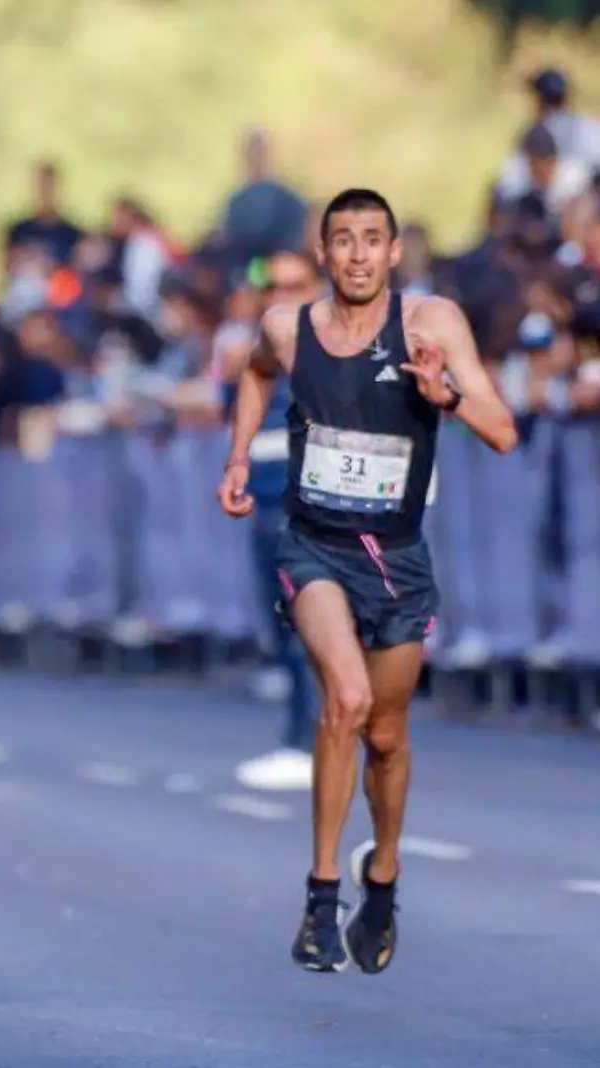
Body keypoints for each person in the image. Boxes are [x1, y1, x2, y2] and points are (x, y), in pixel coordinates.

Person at [217, 190, 517, 976]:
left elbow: (504, 430)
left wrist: (441, 395)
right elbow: (252, 374)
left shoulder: (431, 325)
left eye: (371, 240)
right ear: (323, 253)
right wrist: (240, 455)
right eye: (342, 240)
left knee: (386, 735)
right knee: (344, 701)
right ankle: (321, 900)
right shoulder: (287, 328)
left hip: (399, 558)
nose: (356, 254)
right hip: (313, 546)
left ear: (393, 253)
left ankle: (381, 874)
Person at [228, 251, 325, 792]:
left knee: (305, 627)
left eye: (295, 285)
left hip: (308, 508)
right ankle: (304, 736)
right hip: (266, 504)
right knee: (283, 626)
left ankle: (307, 743)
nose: (281, 295)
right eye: (272, 287)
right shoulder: (259, 353)